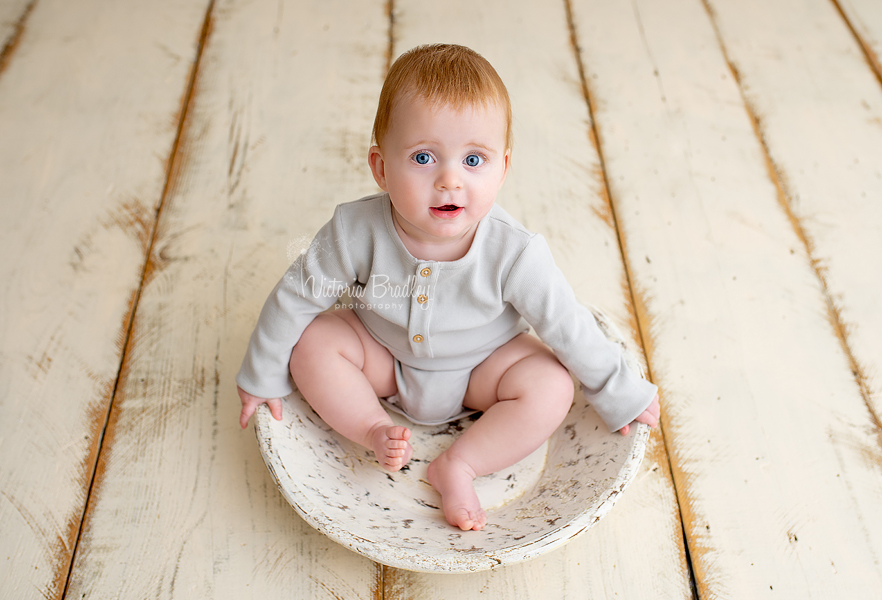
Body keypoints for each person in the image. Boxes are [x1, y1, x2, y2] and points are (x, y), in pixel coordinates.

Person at [236, 44, 660, 532]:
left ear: (503, 167)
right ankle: (373, 426)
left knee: (551, 383)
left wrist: (616, 388)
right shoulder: (355, 229)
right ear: (380, 167)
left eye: (474, 160)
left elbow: (566, 323)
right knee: (313, 342)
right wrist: (261, 372)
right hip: (382, 358)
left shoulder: (516, 251)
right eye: (422, 157)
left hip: (483, 369)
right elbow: (297, 294)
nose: (450, 180)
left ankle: (459, 464)